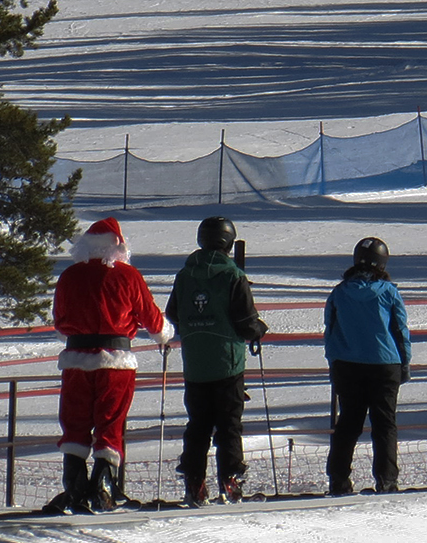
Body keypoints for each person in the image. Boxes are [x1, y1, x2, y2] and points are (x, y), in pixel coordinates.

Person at [52, 217, 172, 512]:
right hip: (115, 362)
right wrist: (165, 334)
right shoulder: (128, 276)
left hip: (76, 360)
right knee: (110, 423)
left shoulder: (69, 276)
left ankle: (75, 488)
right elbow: (153, 321)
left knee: (75, 422)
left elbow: (60, 323)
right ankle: (104, 488)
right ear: (117, 245)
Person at [166, 216, 269, 506]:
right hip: (228, 363)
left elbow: (173, 314)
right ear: (228, 241)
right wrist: (258, 329)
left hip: (196, 364)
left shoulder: (185, 275)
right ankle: (230, 480)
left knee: (197, 426)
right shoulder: (232, 275)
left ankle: (194, 484)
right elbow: (246, 321)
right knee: (228, 426)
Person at [323, 237, 412, 495]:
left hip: (347, 365)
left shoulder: (340, 292)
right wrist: (404, 362)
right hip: (385, 365)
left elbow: (330, 330)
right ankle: (387, 480)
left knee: (348, 423)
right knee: (384, 424)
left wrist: (334, 362)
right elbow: (399, 329)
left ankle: (338, 479)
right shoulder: (388, 292)